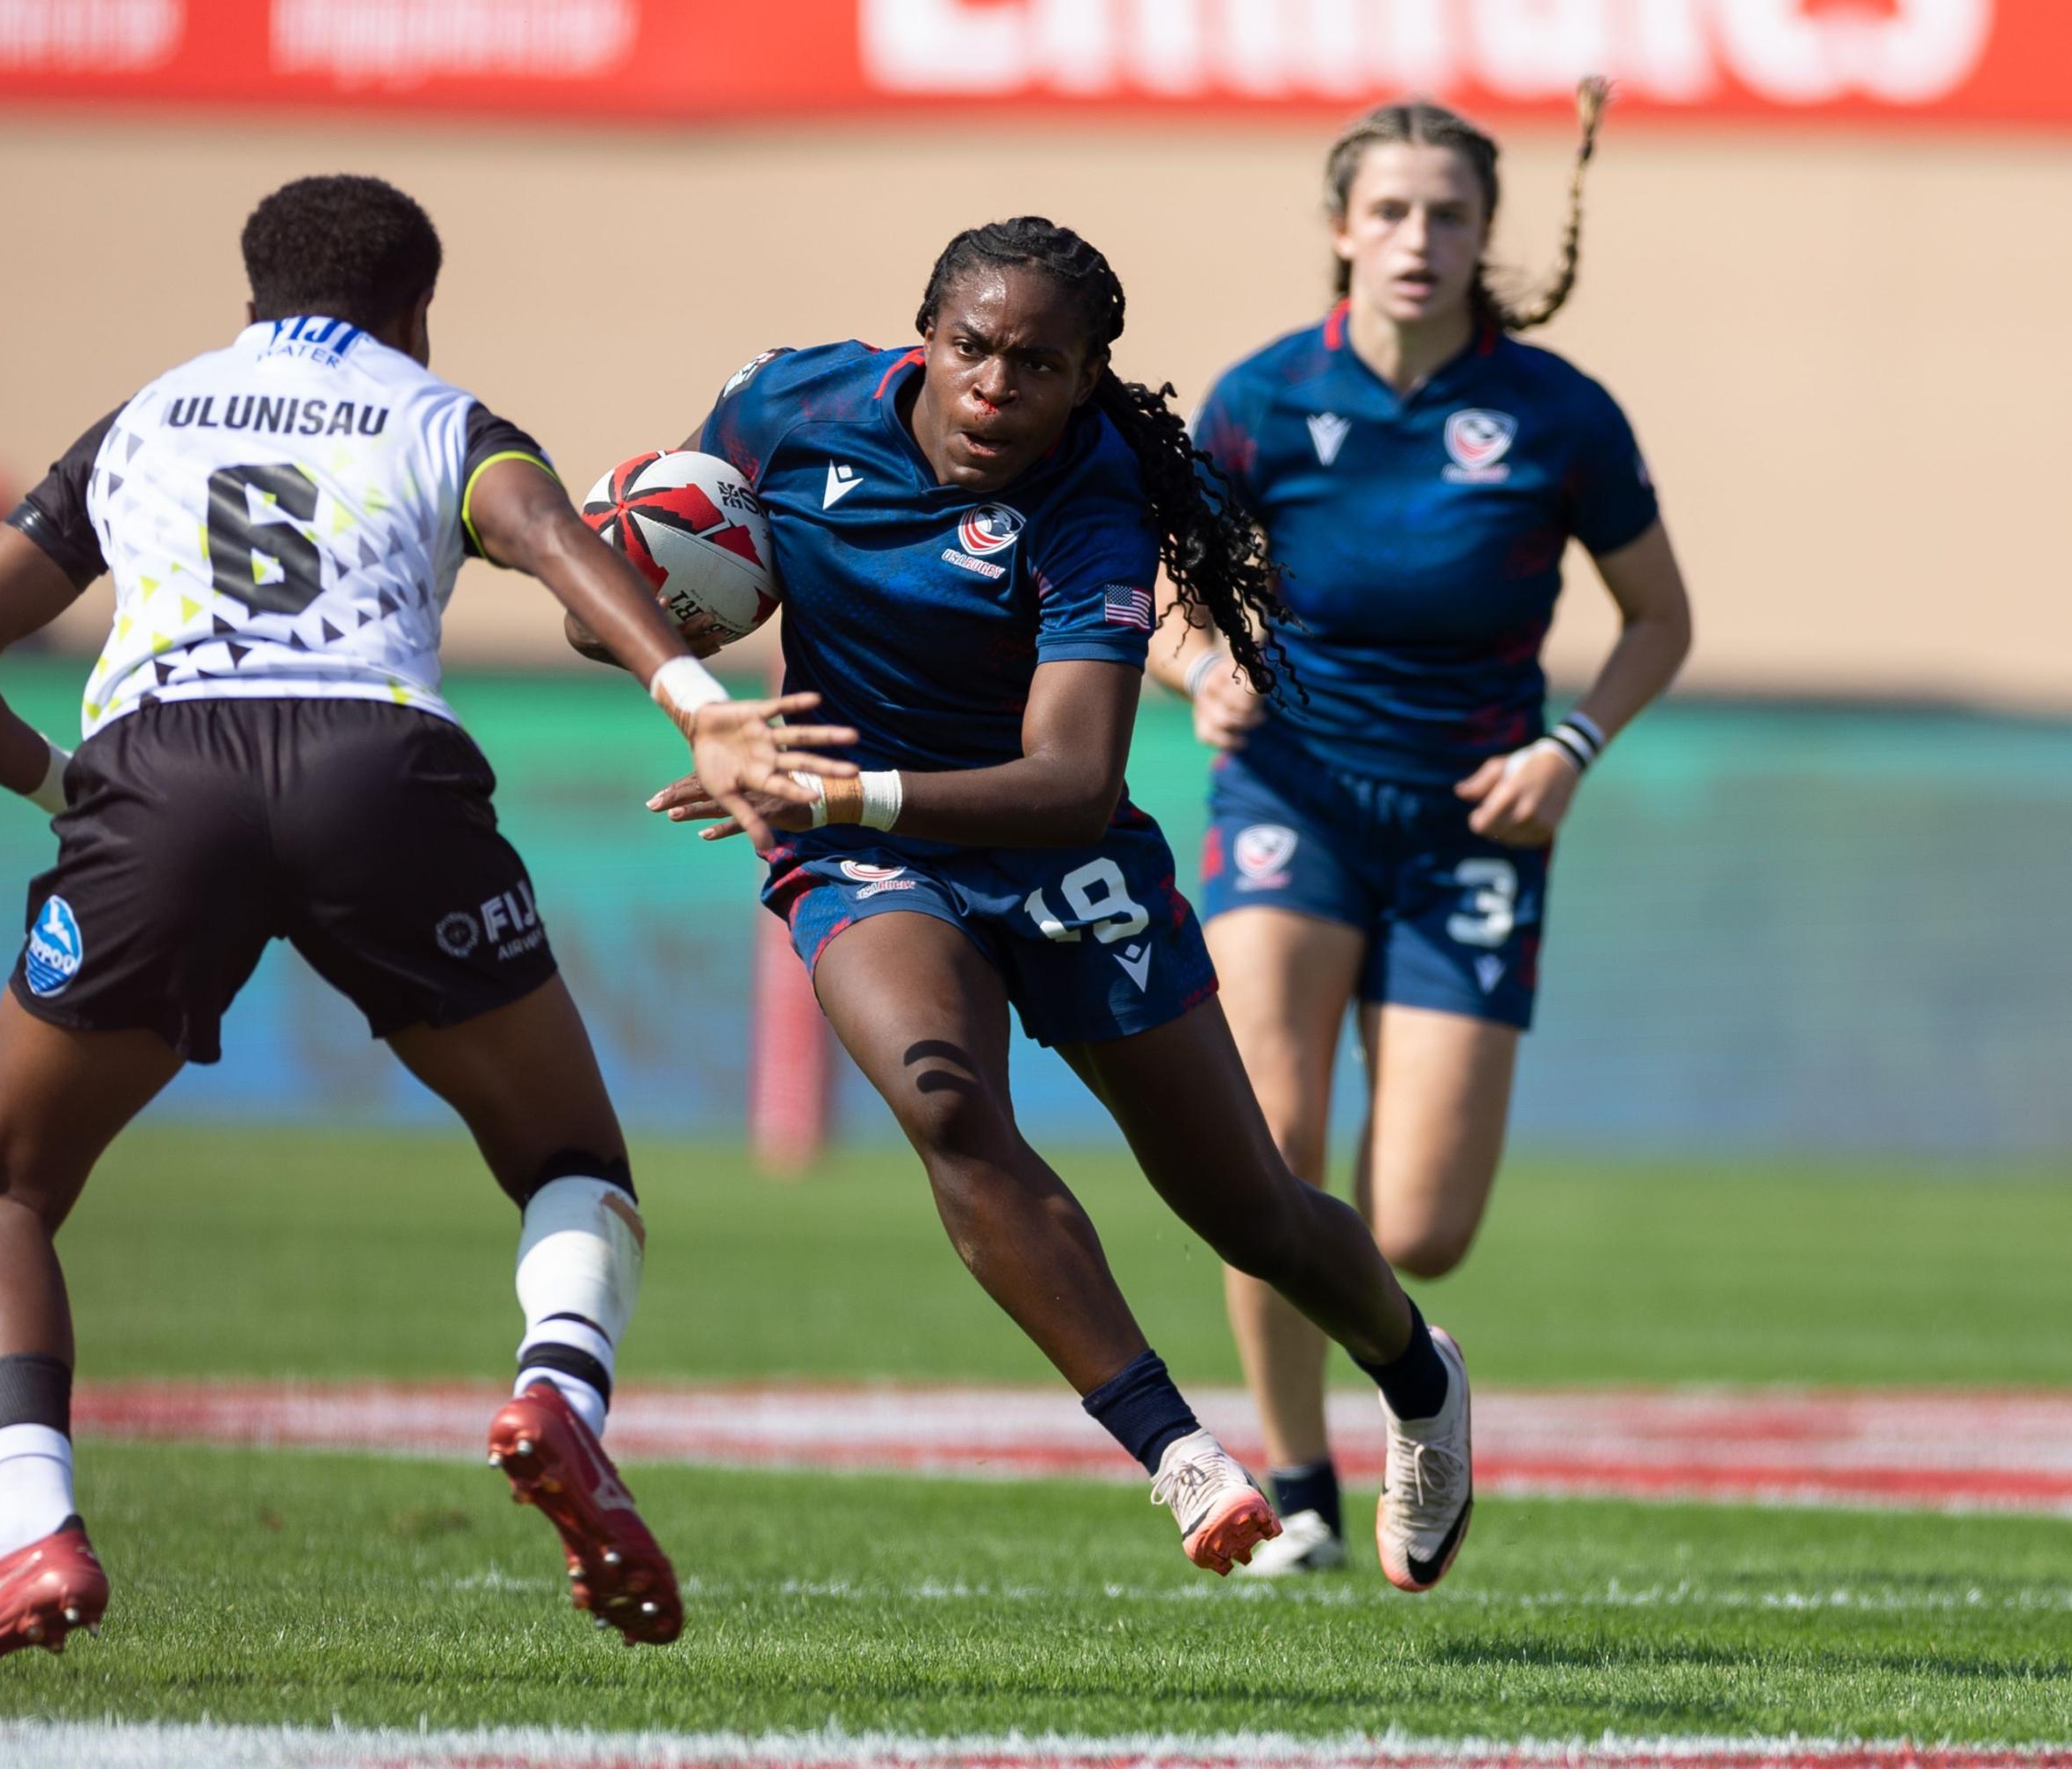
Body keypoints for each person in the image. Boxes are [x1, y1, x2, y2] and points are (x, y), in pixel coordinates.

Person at [0, 173, 853, 1673]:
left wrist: (81, 794)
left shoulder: (145, 419)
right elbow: (551, 535)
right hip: (375, 769)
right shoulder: (439, 413)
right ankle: (558, 1402)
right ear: (416, 304)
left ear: (251, 294)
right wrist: (699, 704)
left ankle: (33, 1539)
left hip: (162, 775)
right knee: (570, 1161)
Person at [583, 217, 1476, 1591]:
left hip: (1048, 850)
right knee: (943, 1097)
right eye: (974, 351)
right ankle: (1180, 1454)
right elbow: (667, 570)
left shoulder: (1094, 501)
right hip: (864, 853)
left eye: (1040, 366)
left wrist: (842, 793)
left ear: (1087, 379)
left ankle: (1418, 1380)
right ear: (924, 340)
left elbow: (1069, 779)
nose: (999, 387)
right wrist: (637, 608)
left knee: (1250, 1212)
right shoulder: (788, 403)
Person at [1160, 85, 1693, 1575]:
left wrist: (1571, 749)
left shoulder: (1558, 415)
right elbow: (1163, 584)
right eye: (1390, 210)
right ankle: (1301, 1481)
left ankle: (1420, 1376)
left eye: (1449, 213)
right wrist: (1200, 667)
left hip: (1474, 825)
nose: (1419, 237)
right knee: (1266, 1150)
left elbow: (1659, 619)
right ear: (1341, 229)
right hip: (1292, 801)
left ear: (1484, 236)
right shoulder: (1263, 399)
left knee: (1422, 1226)